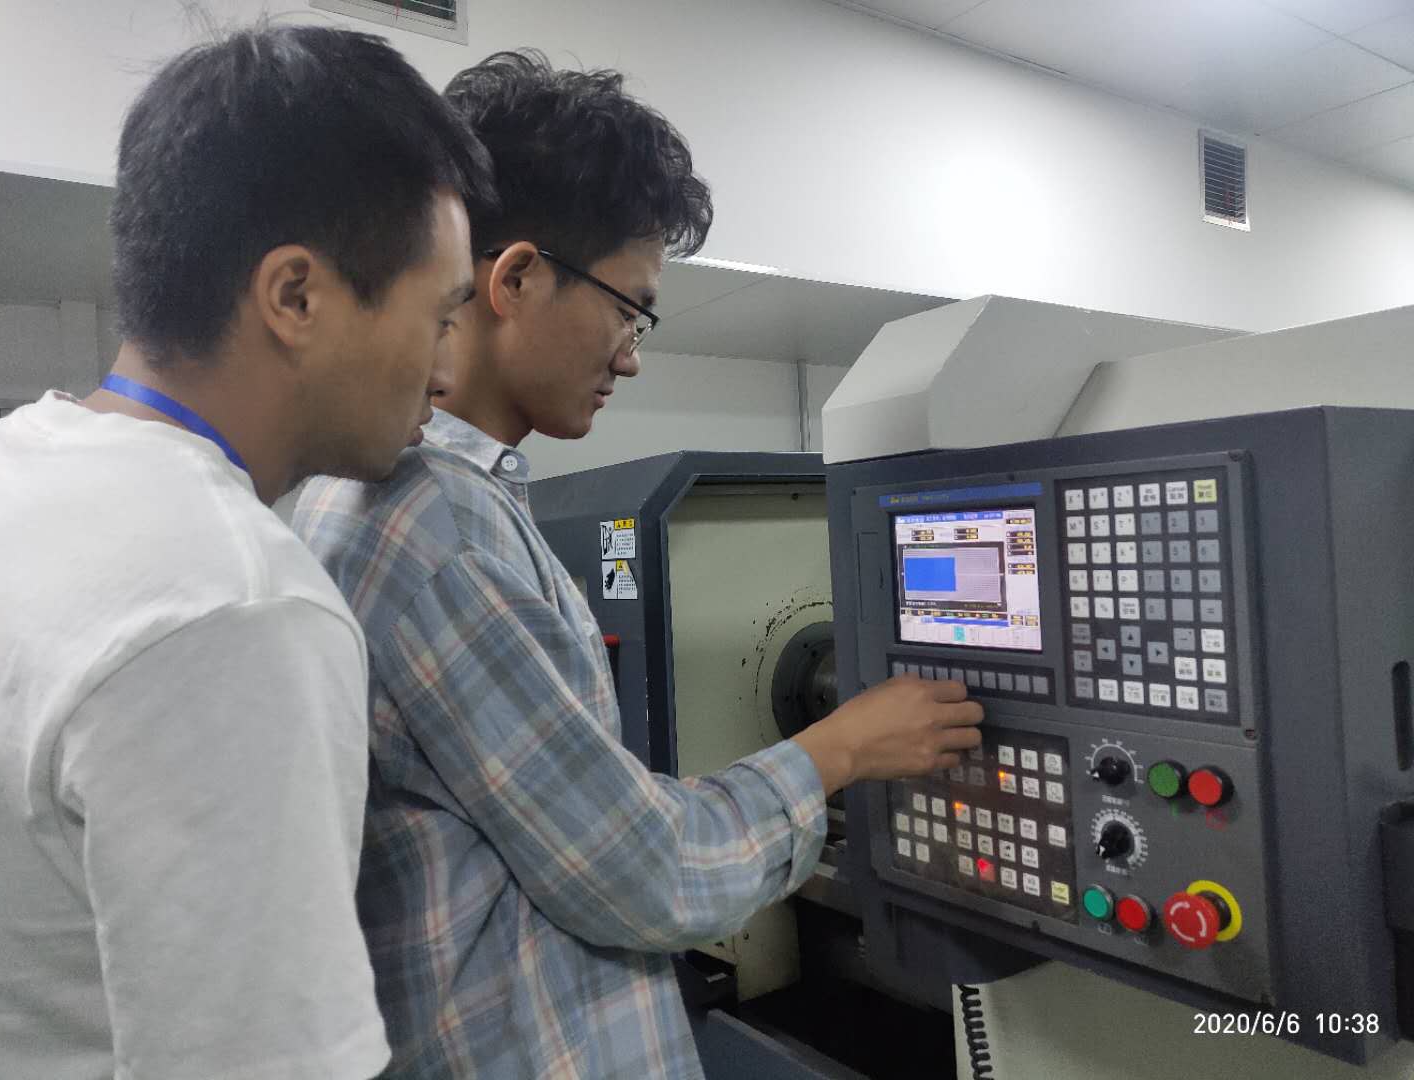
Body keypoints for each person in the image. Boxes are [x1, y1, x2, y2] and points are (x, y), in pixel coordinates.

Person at [293, 50, 982, 1079]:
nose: (632, 353)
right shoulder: (443, 530)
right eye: (629, 307)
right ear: (516, 278)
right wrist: (842, 747)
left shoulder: (367, 495)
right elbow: (644, 876)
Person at [0, 25, 494, 1080]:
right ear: (294, 296)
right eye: (439, 315)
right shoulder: (237, 606)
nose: (445, 371)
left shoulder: (1, 469)